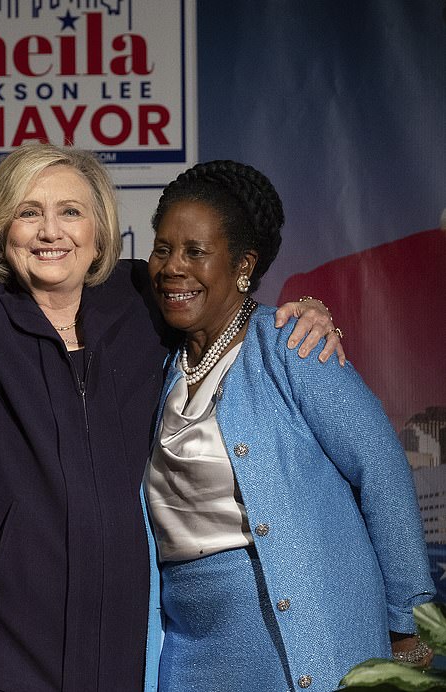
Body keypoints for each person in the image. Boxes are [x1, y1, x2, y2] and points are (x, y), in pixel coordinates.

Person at [0, 72, 342, 692]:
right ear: (3, 229)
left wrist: (306, 306)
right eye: (30, 213)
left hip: (112, 648)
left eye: (70, 212)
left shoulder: (138, 303)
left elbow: (214, 300)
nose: (51, 232)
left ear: (99, 230)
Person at [141, 160, 435, 692]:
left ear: (244, 266)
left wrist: (406, 625)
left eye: (195, 252)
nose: (172, 267)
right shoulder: (153, 361)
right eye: (162, 248)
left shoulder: (293, 347)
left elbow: (383, 469)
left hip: (298, 629)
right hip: (187, 646)